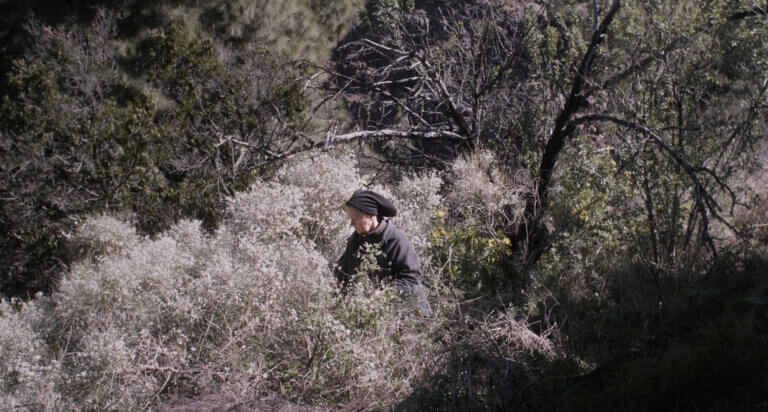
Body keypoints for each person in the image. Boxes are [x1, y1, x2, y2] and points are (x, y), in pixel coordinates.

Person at [334, 189, 431, 316]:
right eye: (350, 218)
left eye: (355, 218)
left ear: (370, 215)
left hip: (408, 317)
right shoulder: (356, 240)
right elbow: (342, 273)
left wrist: (383, 293)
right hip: (375, 316)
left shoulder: (396, 240)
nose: (351, 223)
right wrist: (336, 301)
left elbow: (411, 280)